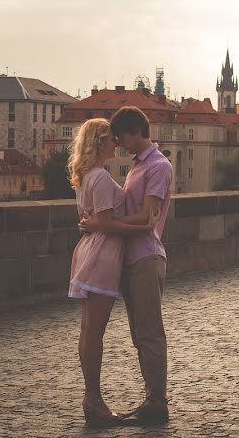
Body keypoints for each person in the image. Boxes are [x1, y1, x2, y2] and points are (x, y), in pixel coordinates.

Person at [81, 106, 173, 426]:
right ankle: (151, 398)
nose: (119, 144)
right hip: (131, 257)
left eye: (121, 137)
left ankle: (157, 402)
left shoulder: (158, 166)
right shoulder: (137, 166)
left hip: (146, 255)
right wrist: (103, 222)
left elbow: (147, 216)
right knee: (140, 333)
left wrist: (103, 223)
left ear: (135, 131)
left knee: (149, 332)